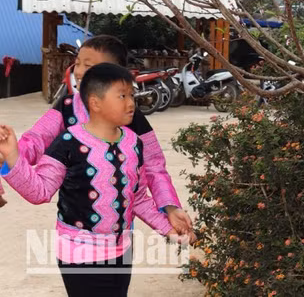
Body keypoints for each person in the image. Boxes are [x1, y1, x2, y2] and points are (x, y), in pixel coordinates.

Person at [0, 63, 195, 296]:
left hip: (121, 250)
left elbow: (137, 197)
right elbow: (39, 191)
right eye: (122, 96)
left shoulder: (133, 143)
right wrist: (12, 155)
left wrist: (169, 228)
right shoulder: (68, 143)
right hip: (79, 253)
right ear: (95, 103)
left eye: (131, 95)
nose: (131, 103)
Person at [0, 35, 192, 236]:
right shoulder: (67, 107)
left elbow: (154, 167)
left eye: (89, 65)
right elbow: (36, 140)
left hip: (120, 229)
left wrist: (170, 207)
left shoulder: (132, 118)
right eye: (78, 63)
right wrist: (9, 155)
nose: (79, 71)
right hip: (74, 232)